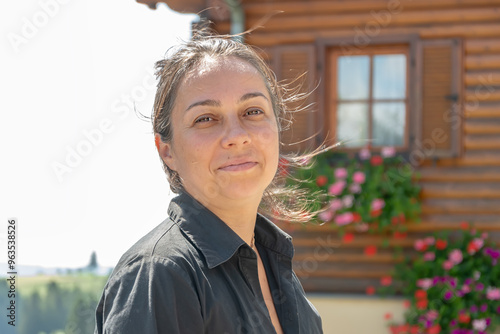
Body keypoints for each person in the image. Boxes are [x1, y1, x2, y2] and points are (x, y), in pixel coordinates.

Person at [94, 29, 323, 334]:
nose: (237, 136)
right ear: (167, 151)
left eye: (253, 111)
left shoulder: (275, 265)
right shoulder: (160, 274)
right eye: (206, 118)